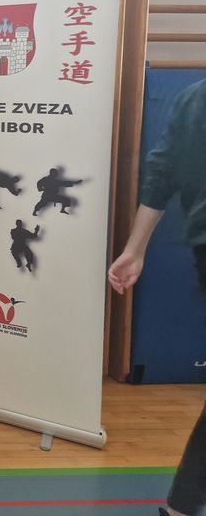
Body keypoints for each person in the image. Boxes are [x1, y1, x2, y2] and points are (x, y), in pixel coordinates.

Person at [108, 79, 206, 516]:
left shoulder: (194, 96)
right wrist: (134, 250)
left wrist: (135, 248)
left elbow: (161, 171)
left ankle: (182, 505)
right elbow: (162, 169)